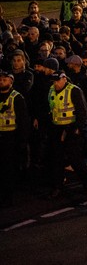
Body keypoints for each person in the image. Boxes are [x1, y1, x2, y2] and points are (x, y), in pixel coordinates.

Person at [45, 60, 87, 197]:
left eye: (57, 80)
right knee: (56, 159)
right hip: (56, 128)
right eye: (53, 81)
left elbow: (82, 111)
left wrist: (77, 128)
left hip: (71, 129)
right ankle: (57, 186)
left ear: (64, 79)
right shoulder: (51, 90)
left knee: (75, 159)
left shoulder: (74, 90)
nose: (55, 83)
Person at [0, 68, 31, 206]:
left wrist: (22, 140)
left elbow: (23, 120)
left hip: (11, 136)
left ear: (11, 82)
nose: (1, 82)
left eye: (4, 80)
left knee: (8, 167)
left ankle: (8, 196)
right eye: (0, 80)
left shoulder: (16, 98)